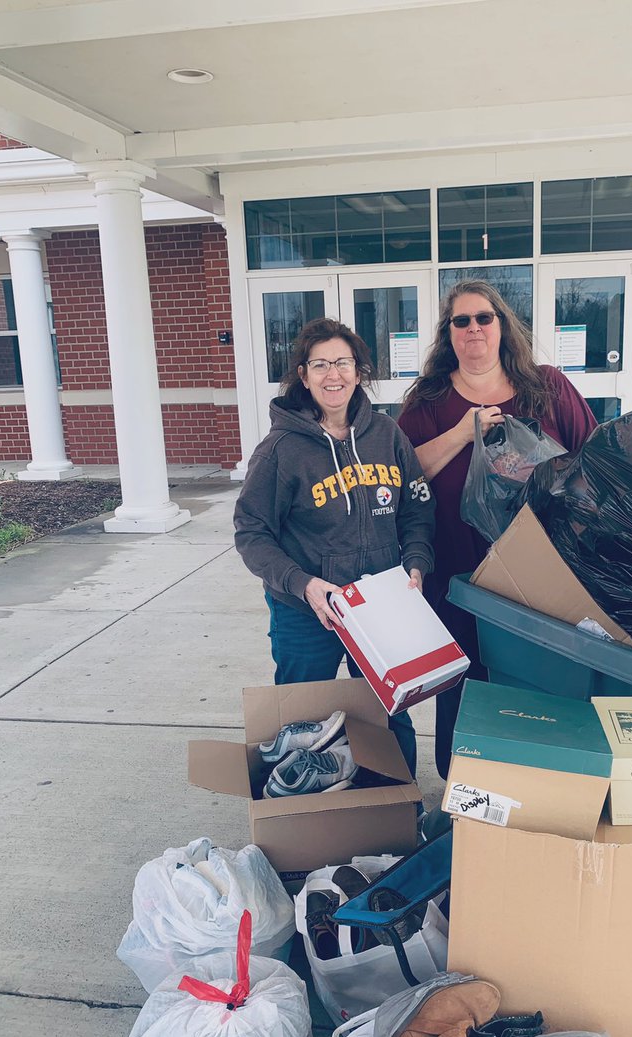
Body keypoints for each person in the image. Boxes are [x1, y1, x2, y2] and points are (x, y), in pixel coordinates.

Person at [398, 280, 597, 777]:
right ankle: (462, 785)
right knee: (464, 680)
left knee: (536, 680)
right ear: (449, 334)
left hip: (543, 575)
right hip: (458, 575)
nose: (473, 330)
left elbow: (592, 460)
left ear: (502, 325)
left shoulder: (547, 386)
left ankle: (533, 782)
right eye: (460, 321)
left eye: (484, 318)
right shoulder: (428, 401)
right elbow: (399, 473)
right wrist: (463, 433)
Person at [234, 317, 435, 779]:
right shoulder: (281, 450)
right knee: (303, 719)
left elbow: (417, 509)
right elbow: (250, 531)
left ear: (359, 371)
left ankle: (395, 811)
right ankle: (303, 824)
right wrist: (302, 585)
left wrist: (417, 564)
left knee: (388, 713)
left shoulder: (387, 435)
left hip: (380, 607)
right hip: (308, 612)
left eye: (342, 362)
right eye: (320, 364)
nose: (333, 375)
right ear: (303, 376)